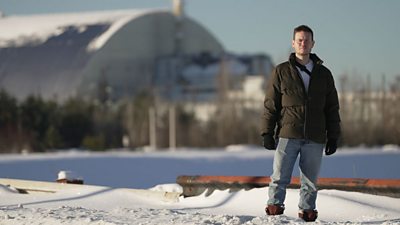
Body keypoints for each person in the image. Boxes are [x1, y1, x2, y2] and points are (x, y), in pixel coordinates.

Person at [261, 25, 341, 222]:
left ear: (312, 43)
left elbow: (332, 108)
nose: (303, 43)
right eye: (299, 40)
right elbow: (271, 104)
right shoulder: (281, 71)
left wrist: (333, 136)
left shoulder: (324, 74)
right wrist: (266, 132)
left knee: (310, 182)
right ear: (293, 43)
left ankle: (307, 214)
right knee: (279, 178)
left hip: (315, 136)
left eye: (306, 40)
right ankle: (274, 213)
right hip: (288, 134)